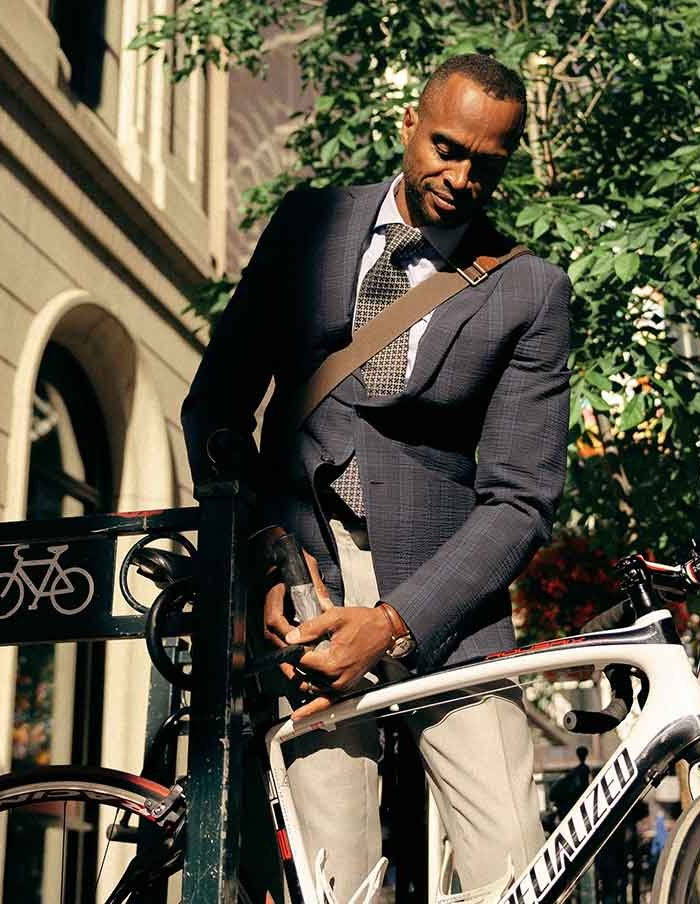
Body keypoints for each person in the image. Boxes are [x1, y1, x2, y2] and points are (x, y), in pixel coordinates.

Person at [181, 52, 573, 900]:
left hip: (447, 604)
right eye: (445, 147)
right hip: (308, 591)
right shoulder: (307, 226)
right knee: (336, 881)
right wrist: (263, 562)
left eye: (486, 164)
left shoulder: (531, 292)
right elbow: (215, 408)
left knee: (519, 872)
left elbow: (522, 500)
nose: (460, 176)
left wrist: (396, 622)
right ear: (409, 123)